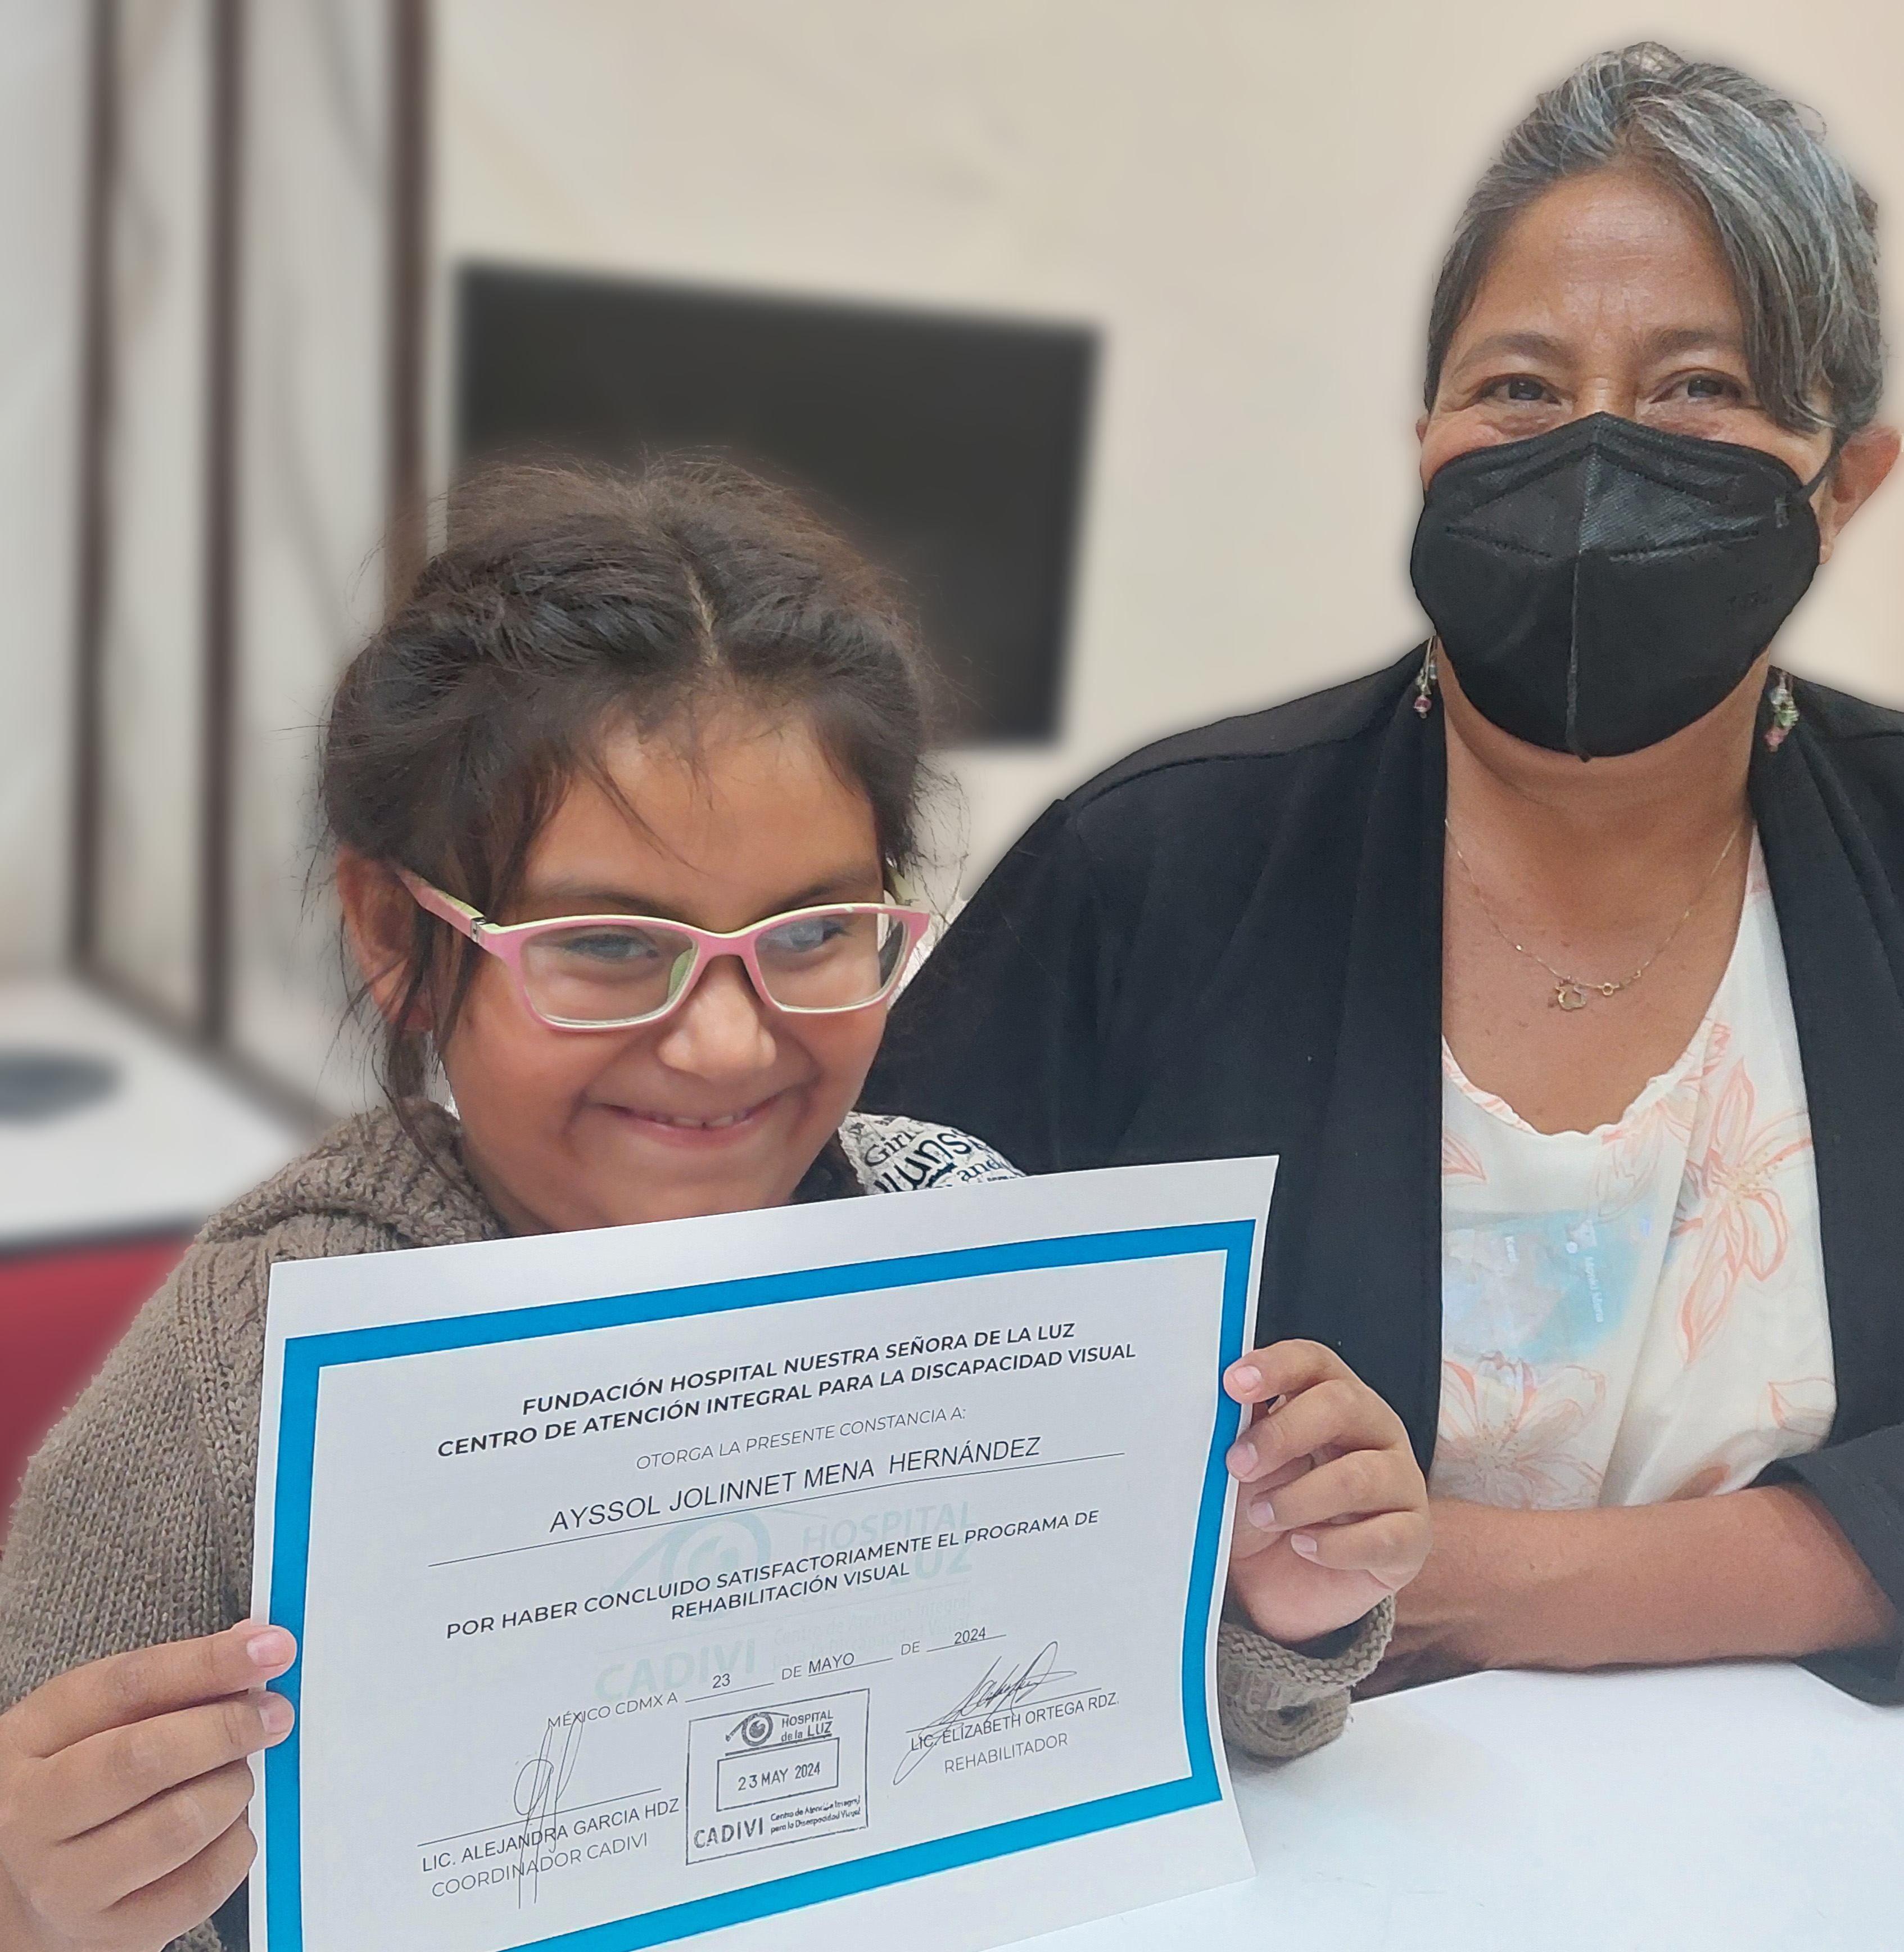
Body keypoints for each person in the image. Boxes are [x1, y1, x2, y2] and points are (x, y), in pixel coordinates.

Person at [0, 464, 1430, 1952]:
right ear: (394, 936)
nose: (727, 1044)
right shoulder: (251, 1356)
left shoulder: (952, 1231)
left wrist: (1283, 1592)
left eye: (814, 933)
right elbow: (49, 1830)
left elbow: (1149, 1712)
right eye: (611, 946)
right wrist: (38, 1899)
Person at [867, 43, 1904, 1703]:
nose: (1591, 449)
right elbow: (870, 1380)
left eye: (1694, 387)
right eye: (1517, 389)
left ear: (1844, 477)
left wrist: (1476, 1581)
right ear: (1423, 437)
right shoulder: (1147, 873)